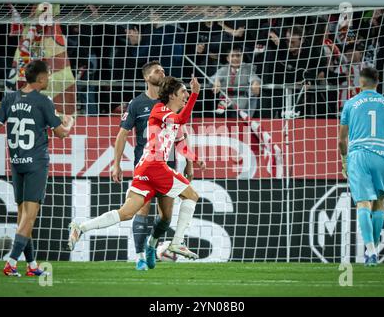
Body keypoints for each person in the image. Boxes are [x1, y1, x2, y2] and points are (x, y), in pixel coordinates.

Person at [68, 76, 203, 269]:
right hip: (156, 166)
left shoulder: (170, 118)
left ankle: (80, 228)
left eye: (188, 93)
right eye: (183, 92)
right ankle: (176, 243)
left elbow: (179, 141)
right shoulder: (160, 110)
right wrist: (196, 93)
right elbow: (182, 118)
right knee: (192, 195)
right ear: (172, 95)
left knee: (126, 213)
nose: (186, 96)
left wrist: (195, 159)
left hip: (145, 167)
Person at [0, 60, 75, 276]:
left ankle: (31, 266)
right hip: (36, 163)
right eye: (47, 75)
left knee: (23, 217)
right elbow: (61, 134)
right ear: (40, 78)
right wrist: (69, 123)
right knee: (30, 216)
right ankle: (11, 262)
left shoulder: (10, 98)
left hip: (17, 163)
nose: (48, 79)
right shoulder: (43, 101)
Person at [111, 61, 204, 270]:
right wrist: (116, 164)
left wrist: (190, 162)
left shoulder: (172, 105)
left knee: (166, 217)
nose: (161, 72)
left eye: (163, 69)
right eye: (156, 71)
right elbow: (122, 134)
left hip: (168, 164)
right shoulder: (136, 104)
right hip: (146, 164)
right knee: (141, 210)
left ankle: (153, 244)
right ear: (146, 77)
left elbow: (181, 135)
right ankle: (139, 256)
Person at [338, 67, 384, 267]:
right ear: (377, 82)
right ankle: (371, 251)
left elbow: (342, 140)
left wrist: (344, 161)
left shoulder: (351, 103)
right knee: (379, 204)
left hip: (358, 155)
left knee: (362, 204)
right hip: (382, 155)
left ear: (361, 82)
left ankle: (371, 251)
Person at [211, 46, 261, 118]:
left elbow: (254, 77)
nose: (235, 58)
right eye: (232, 56)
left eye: (238, 56)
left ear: (242, 57)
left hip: (241, 104)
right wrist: (216, 81)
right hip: (225, 103)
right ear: (228, 58)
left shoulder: (247, 69)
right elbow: (214, 77)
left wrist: (255, 82)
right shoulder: (223, 69)